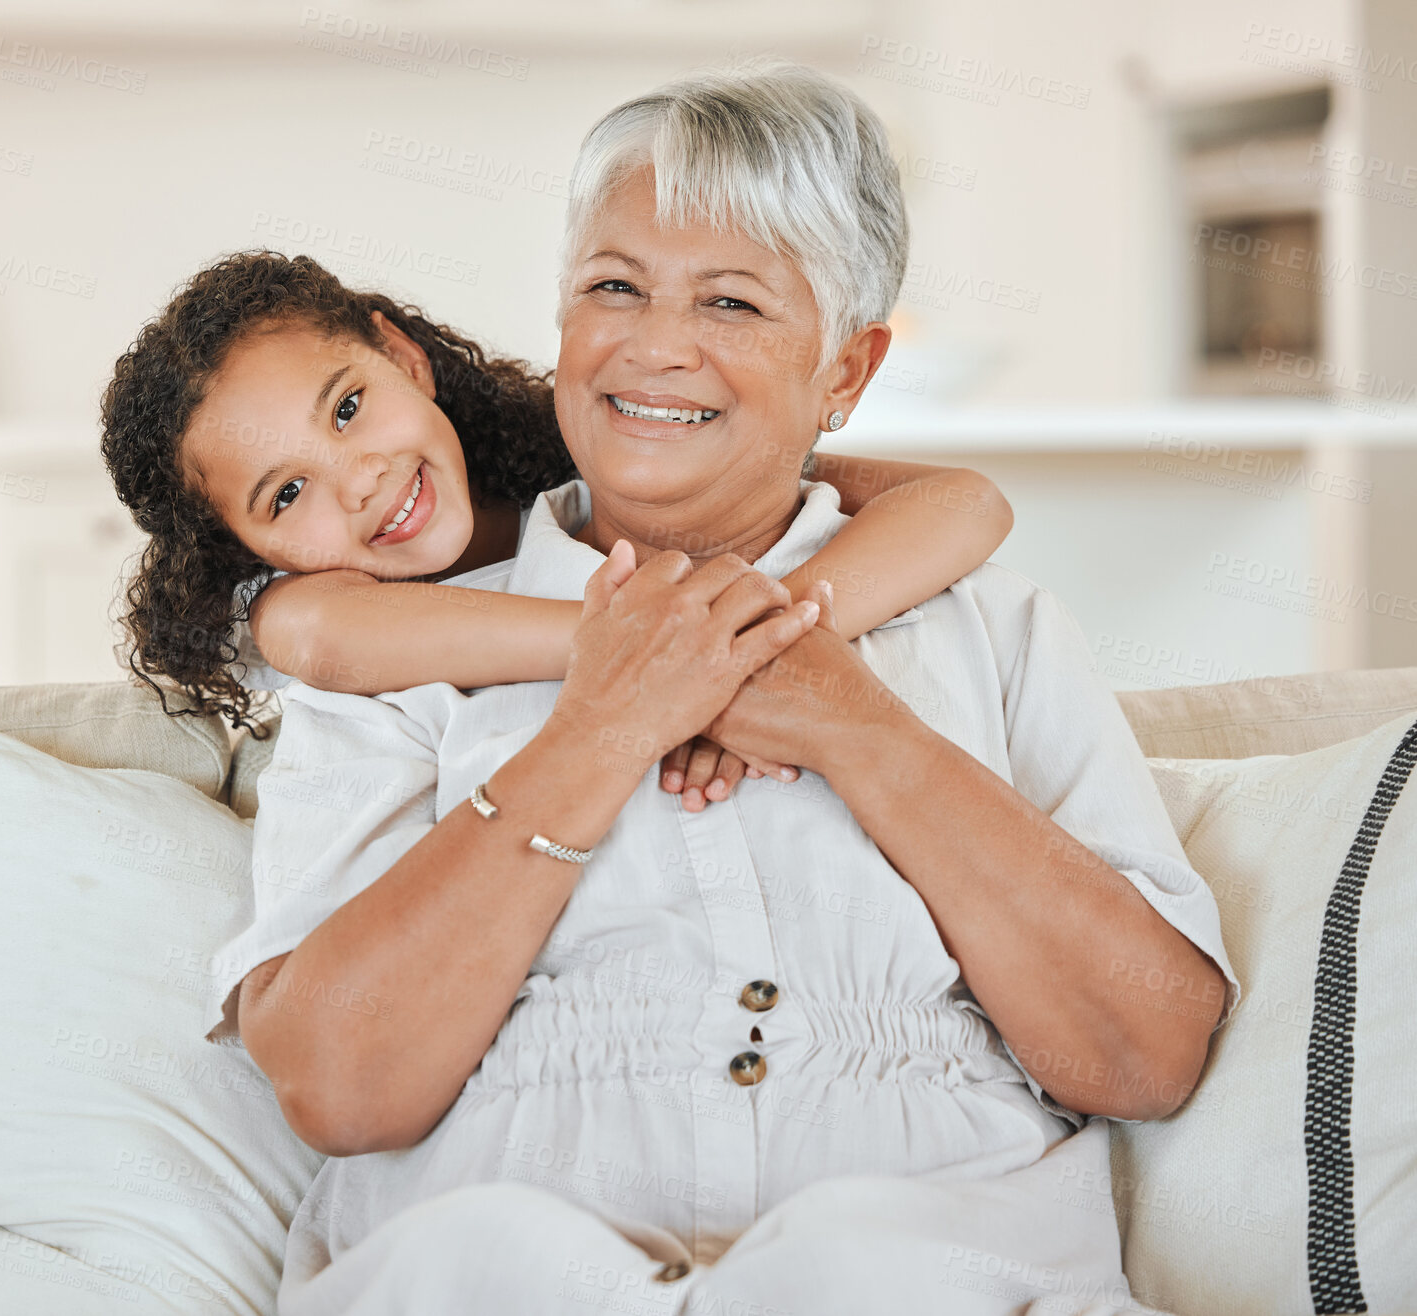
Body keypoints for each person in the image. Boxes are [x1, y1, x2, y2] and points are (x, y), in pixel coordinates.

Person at [199, 58, 1238, 1316]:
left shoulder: (992, 626)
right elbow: (335, 1086)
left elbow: (1145, 1050)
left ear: (846, 373)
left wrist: (848, 720)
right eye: (613, 286)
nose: (656, 345)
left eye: (733, 302)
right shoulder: (402, 654)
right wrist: (604, 723)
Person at [99, 251, 1011, 809]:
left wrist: (743, 648)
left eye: (346, 408)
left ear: (402, 357)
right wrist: (655, 656)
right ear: (242, 551)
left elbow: (967, 502)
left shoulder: (595, 467)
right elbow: (321, 636)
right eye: (286, 494)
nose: (360, 479)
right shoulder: (308, 609)